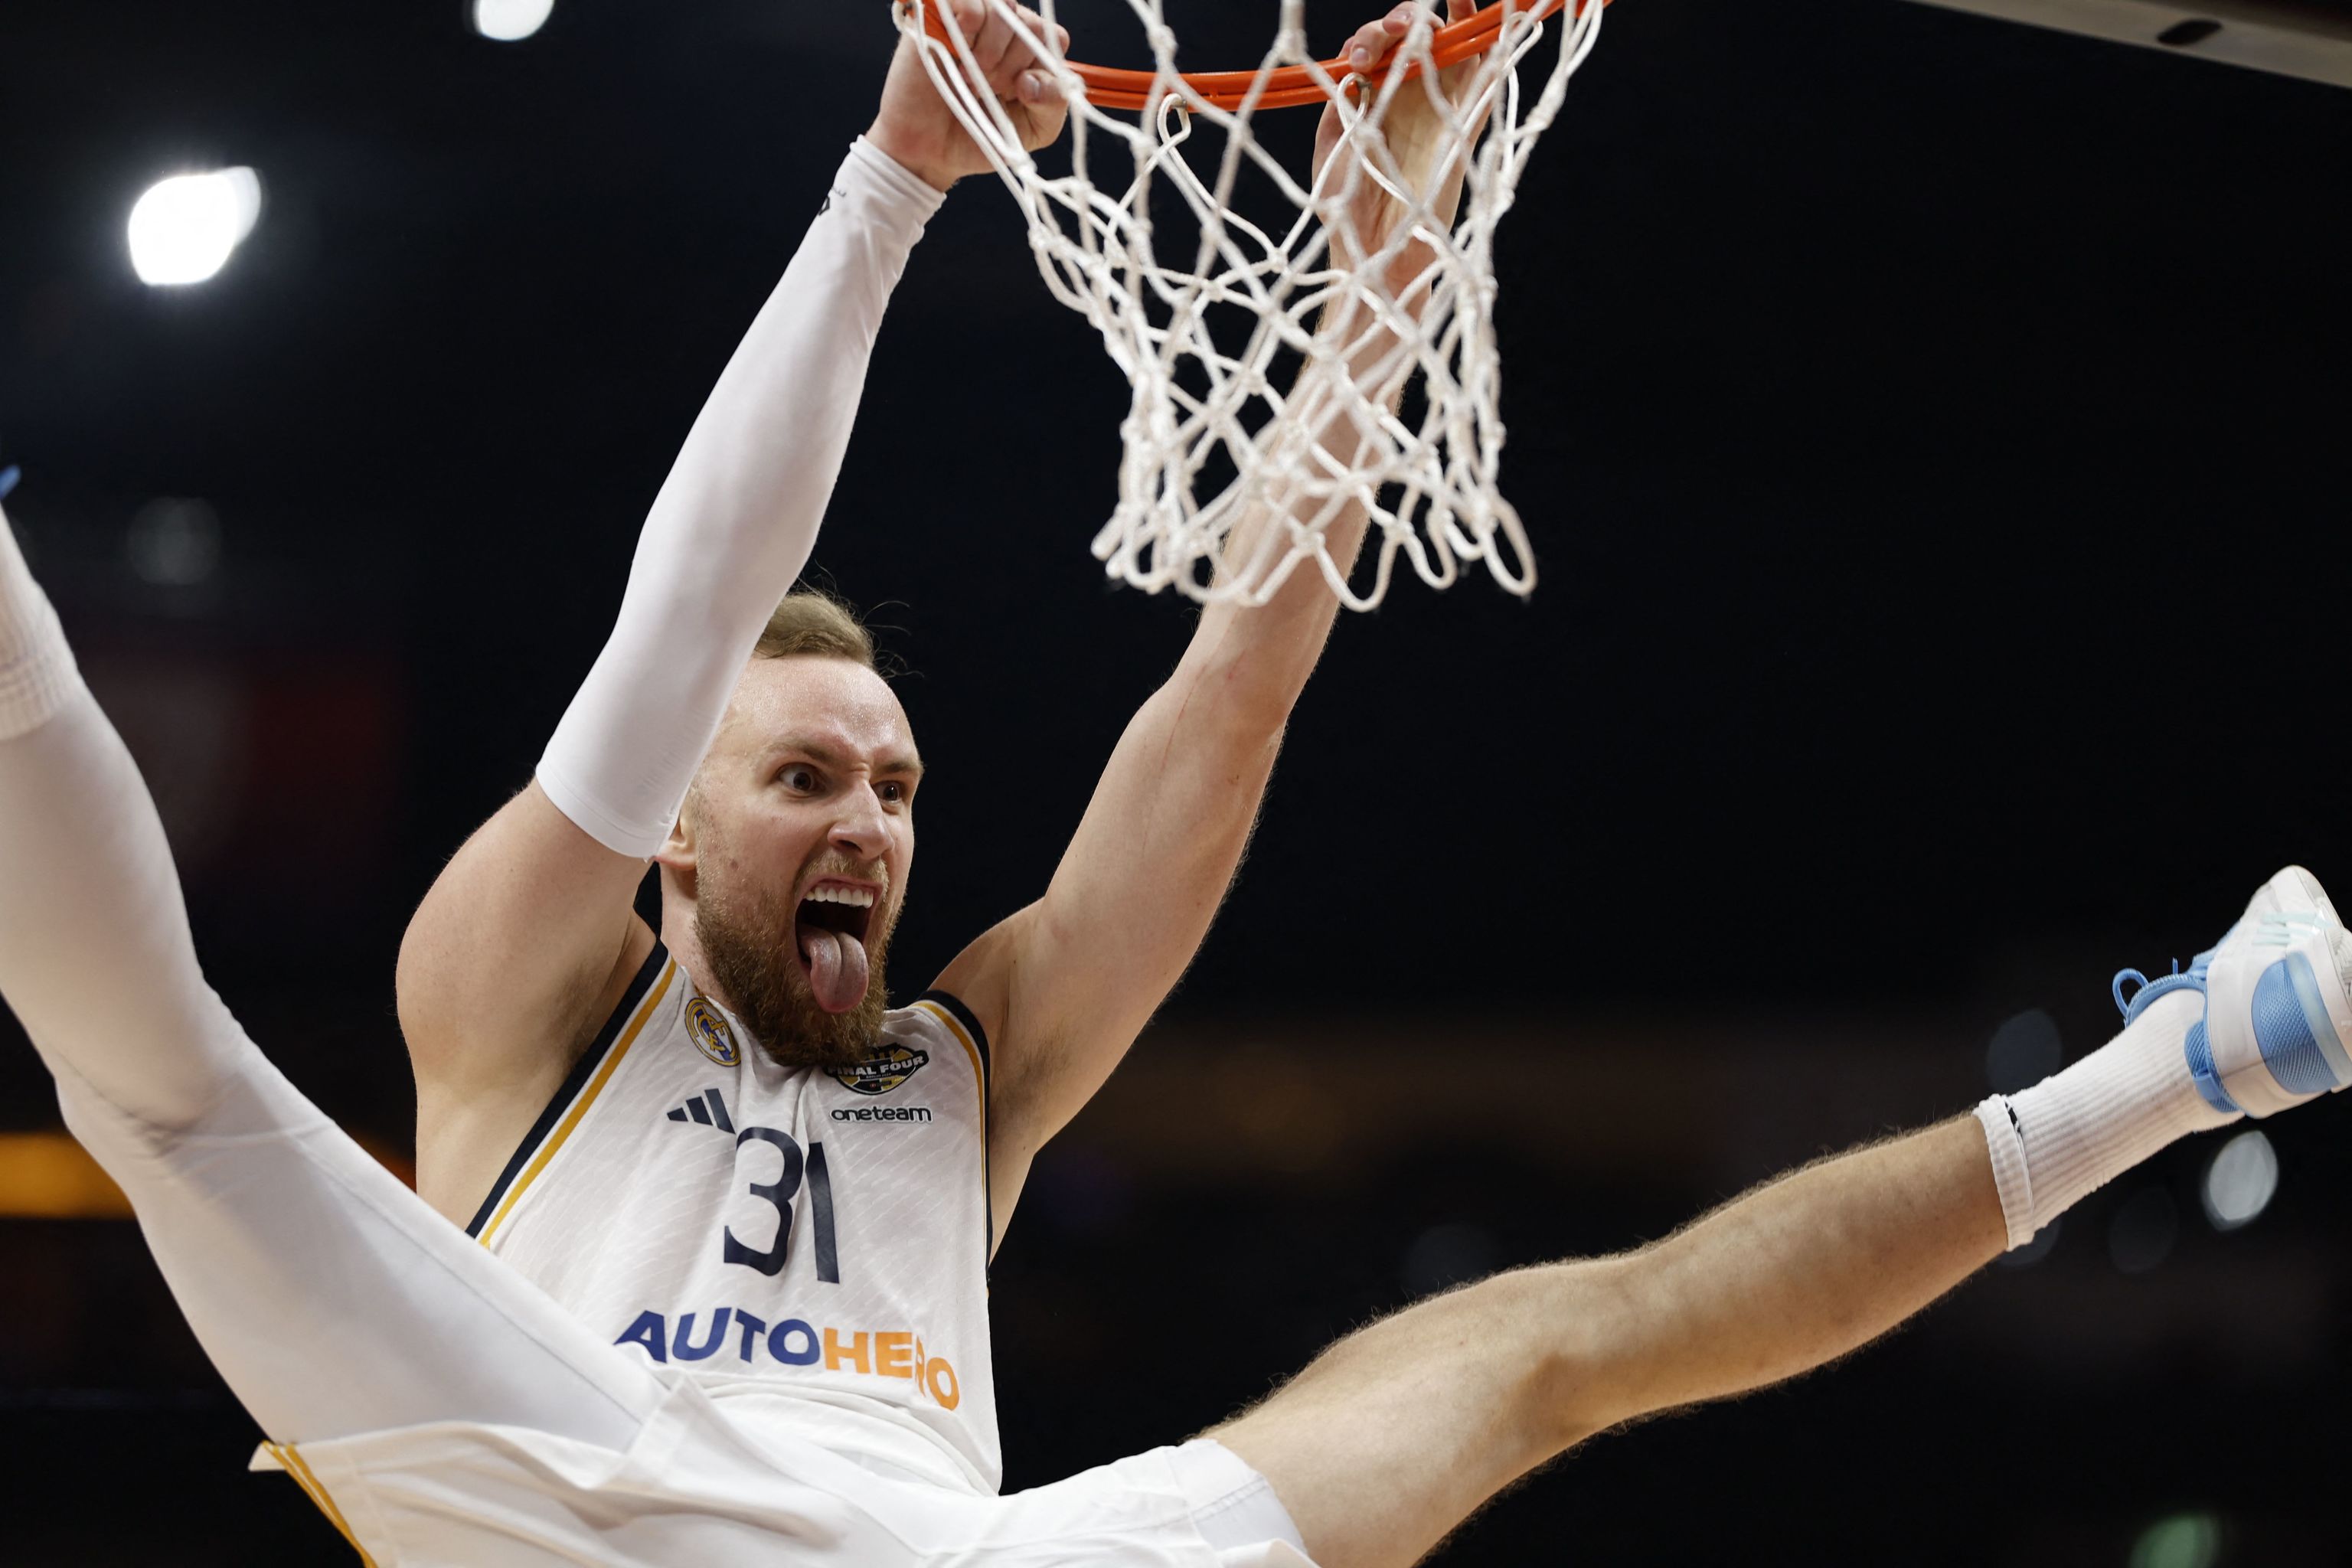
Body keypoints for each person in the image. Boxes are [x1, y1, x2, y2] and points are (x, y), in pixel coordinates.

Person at [5, 4, 2350, 1564]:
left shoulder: (970, 1063)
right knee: (171, 1089)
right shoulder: (518, 994)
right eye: (807, 776)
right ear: (680, 837)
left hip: (959, 1553)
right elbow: (679, 627)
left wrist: (1393, 256)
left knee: (1549, 1351)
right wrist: (891, 188)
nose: (874, 822)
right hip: (579, 1487)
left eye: (902, 786)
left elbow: (1227, 697)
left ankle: (2203, 1056)